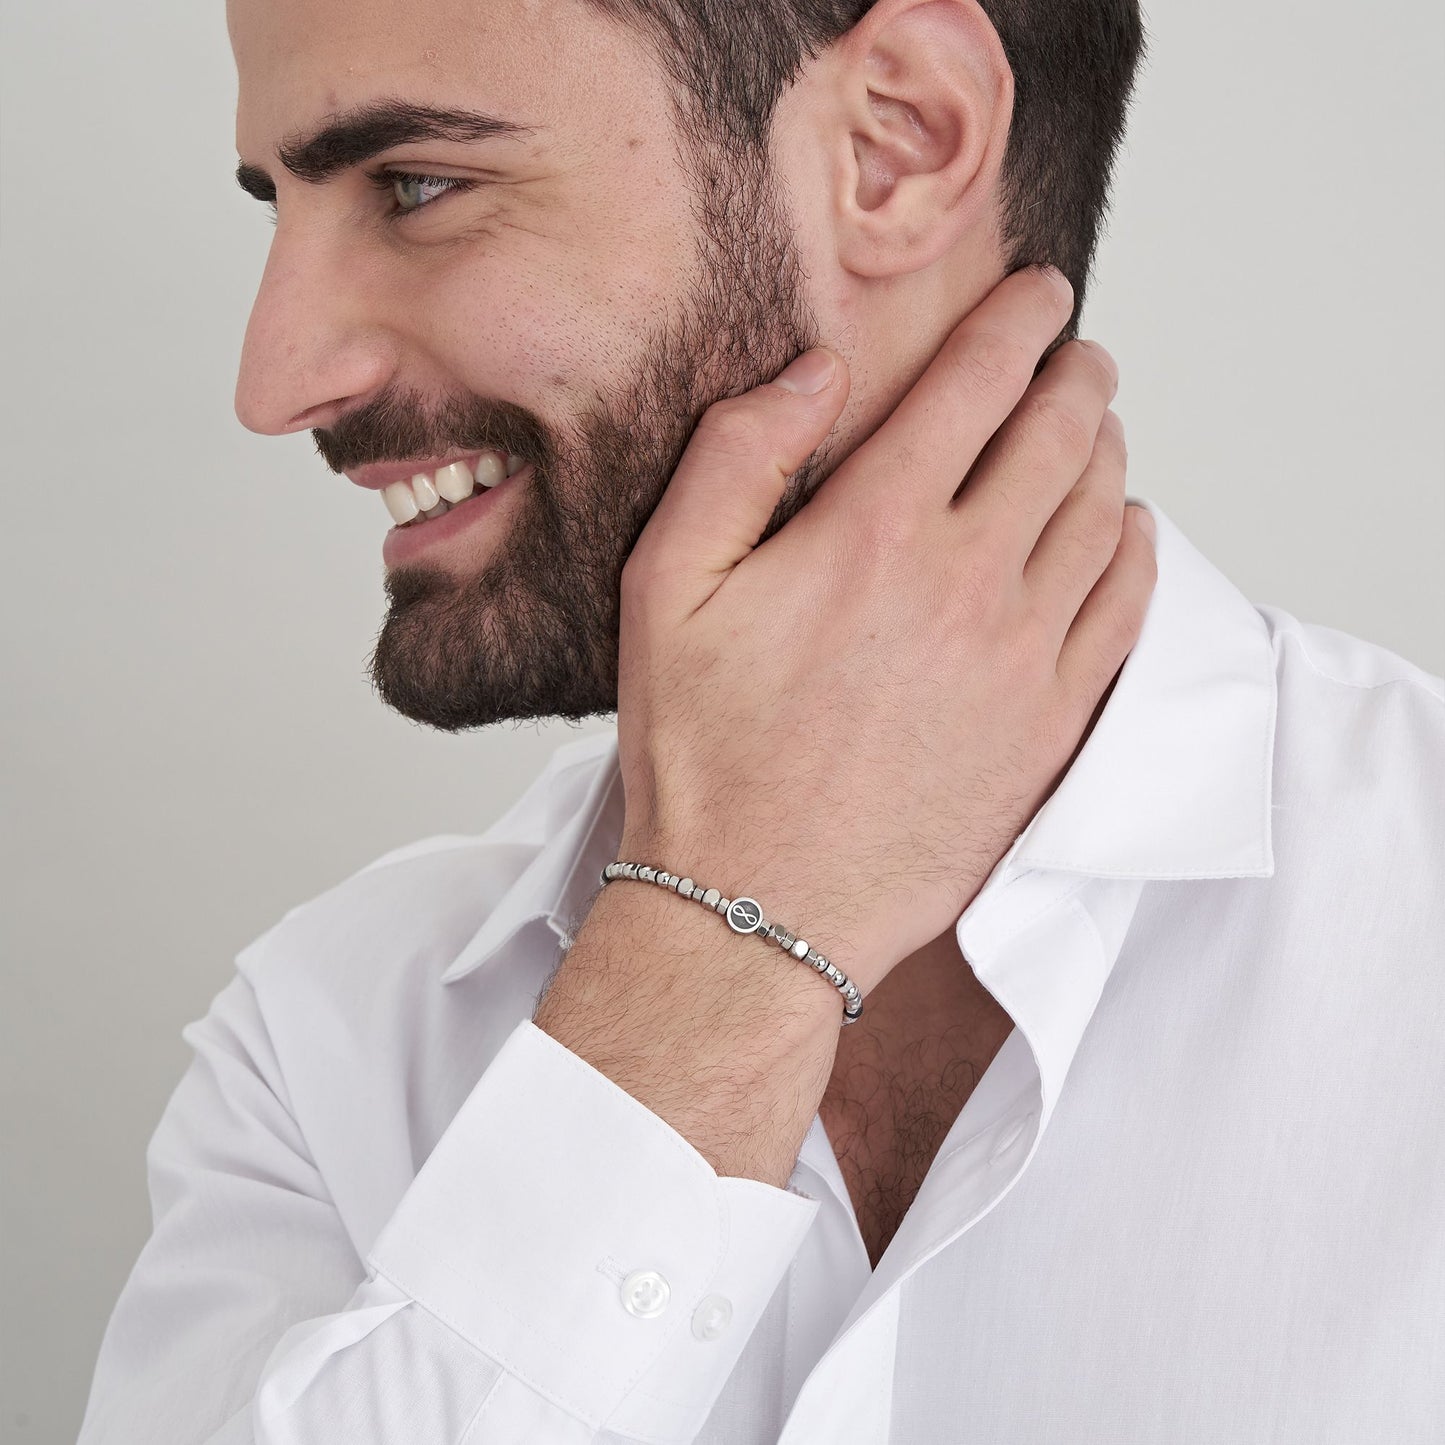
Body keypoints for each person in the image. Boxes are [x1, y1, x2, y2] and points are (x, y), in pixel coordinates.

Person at [78, 0, 1444, 1440]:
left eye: (417, 187)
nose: (277, 378)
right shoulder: (325, 1043)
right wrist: (717, 956)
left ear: (895, 142)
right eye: (276, 208)